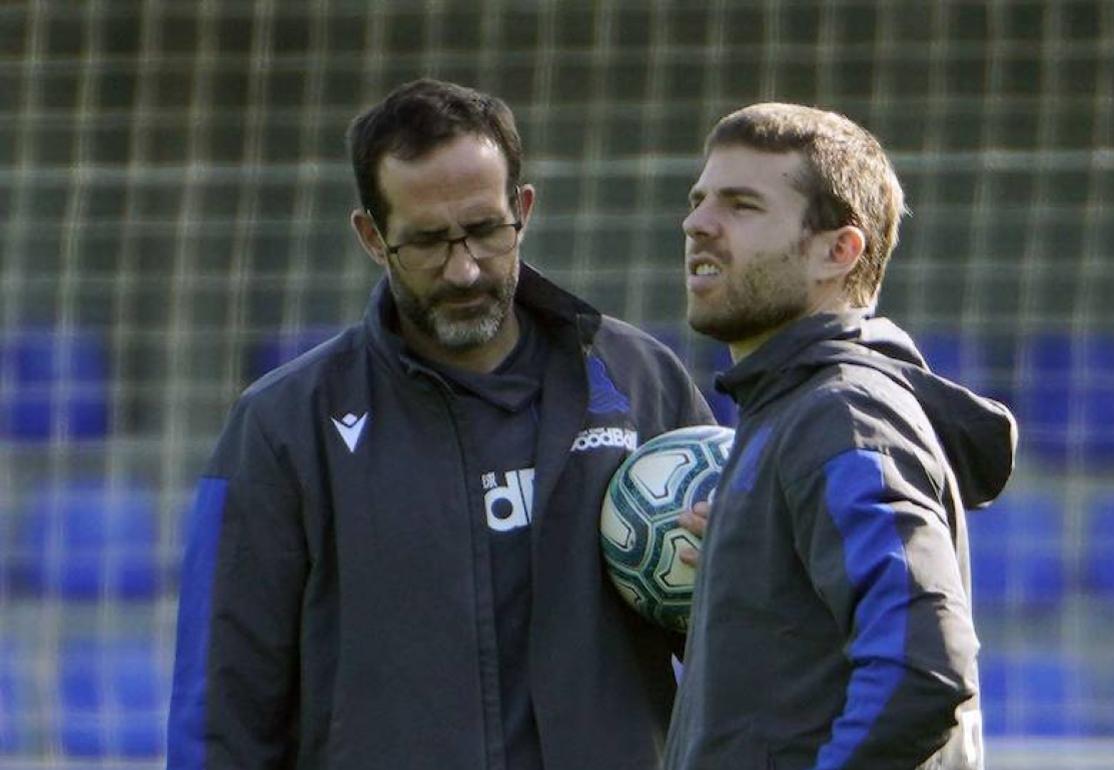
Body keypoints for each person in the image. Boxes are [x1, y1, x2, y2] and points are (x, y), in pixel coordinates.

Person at [166, 78, 714, 770]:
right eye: (426, 241)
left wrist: (729, 564)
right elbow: (222, 705)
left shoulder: (641, 382)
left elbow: (734, 642)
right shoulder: (283, 427)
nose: (464, 270)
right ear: (372, 237)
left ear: (523, 209)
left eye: (485, 230)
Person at [664, 104, 1017, 770]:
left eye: (741, 205)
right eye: (698, 200)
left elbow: (922, 669)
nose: (697, 223)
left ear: (838, 250)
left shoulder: (844, 415)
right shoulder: (790, 411)